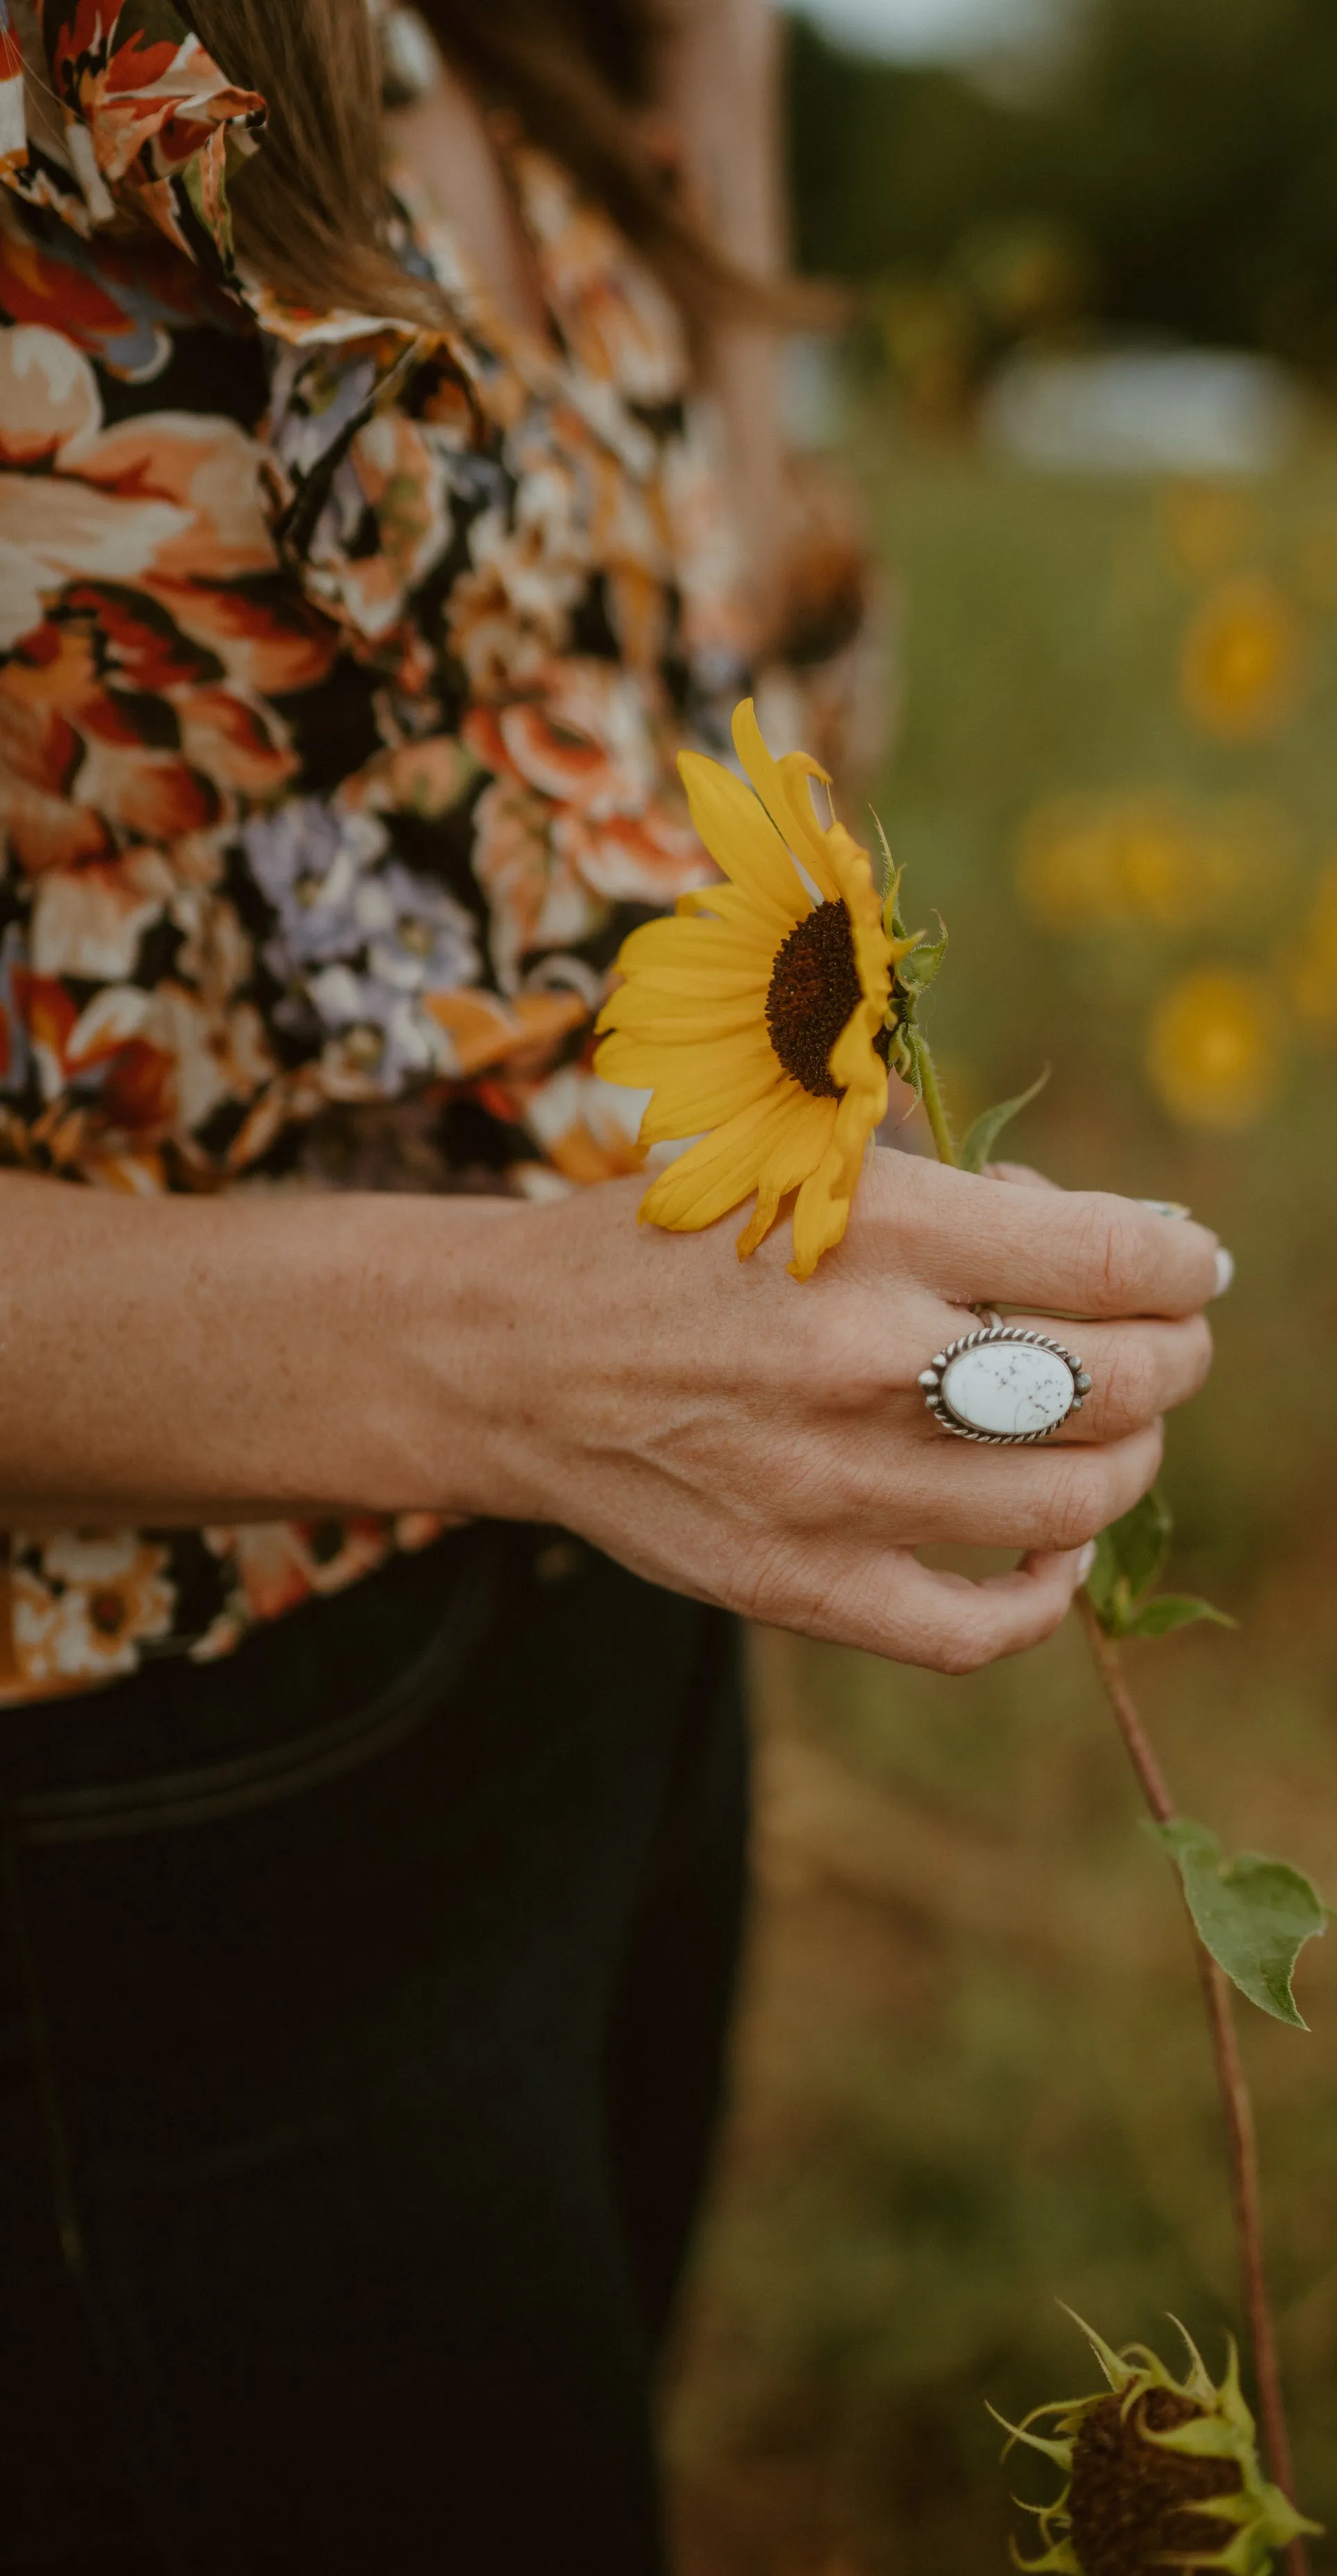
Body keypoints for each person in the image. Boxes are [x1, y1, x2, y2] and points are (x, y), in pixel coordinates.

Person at [0, 1, 1225, 2567]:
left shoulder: (521, 54)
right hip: (170, 1808)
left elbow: (739, 709)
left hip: (622, 1641)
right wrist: (510, 1356)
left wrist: (715, 95)